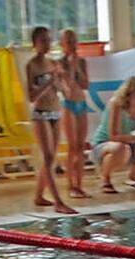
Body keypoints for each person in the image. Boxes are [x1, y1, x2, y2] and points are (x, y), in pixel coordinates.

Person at [26, 26, 76, 214]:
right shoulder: (31, 65)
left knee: (51, 158)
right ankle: (58, 202)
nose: (46, 44)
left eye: (48, 40)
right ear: (34, 44)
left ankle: (39, 195)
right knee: (47, 157)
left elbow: (67, 93)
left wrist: (62, 80)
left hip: (56, 112)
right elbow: (31, 96)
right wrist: (48, 83)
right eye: (42, 41)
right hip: (41, 114)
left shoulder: (54, 63)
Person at [90, 76, 135, 192]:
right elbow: (113, 136)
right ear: (128, 95)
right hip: (103, 144)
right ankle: (105, 179)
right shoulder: (116, 104)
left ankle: (134, 176)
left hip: (125, 144)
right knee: (121, 147)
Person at [57, 29, 91, 199]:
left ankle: (80, 185)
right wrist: (70, 67)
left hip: (82, 104)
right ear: (61, 44)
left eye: (73, 41)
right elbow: (67, 90)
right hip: (69, 105)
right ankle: (71, 185)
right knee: (72, 147)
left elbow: (85, 85)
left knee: (80, 146)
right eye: (68, 41)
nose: (71, 45)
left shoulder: (82, 61)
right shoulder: (59, 63)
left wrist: (77, 66)